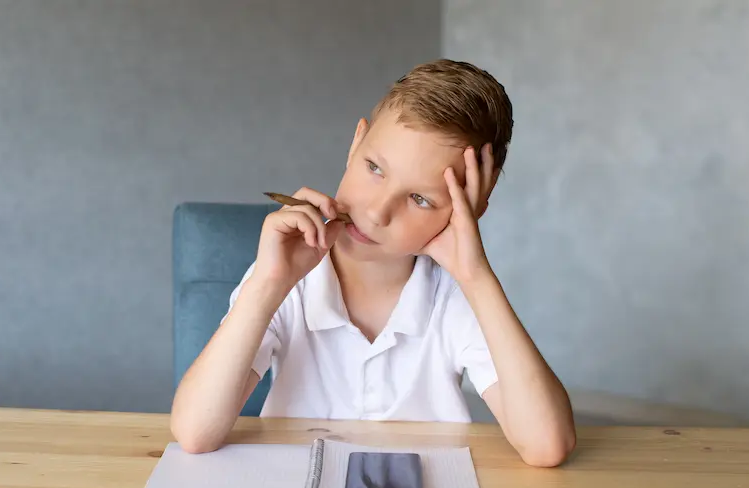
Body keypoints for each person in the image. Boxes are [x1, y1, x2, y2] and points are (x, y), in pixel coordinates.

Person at [171, 59, 576, 467]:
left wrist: (476, 275)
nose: (378, 212)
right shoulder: (285, 280)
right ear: (356, 143)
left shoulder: (455, 295)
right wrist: (267, 285)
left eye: (420, 199)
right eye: (374, 168)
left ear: (467, 210)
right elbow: (194, 432)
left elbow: (546, 445)